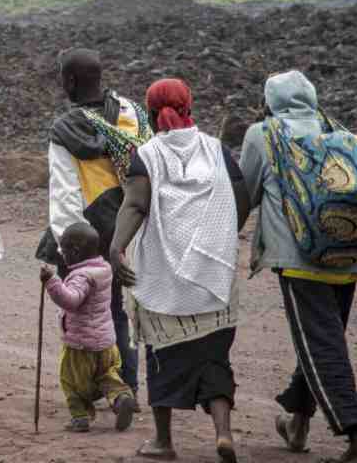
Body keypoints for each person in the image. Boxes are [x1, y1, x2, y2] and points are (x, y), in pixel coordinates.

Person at [239, 71, 357, 463]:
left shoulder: (262, 134)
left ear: (270, 101)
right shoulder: (339, 131)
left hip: (301, 261)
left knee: (322, 346)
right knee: (321, 341)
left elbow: (245, 194)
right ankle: (297, 426)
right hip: (350, 255)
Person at [110, 78, 249, 462]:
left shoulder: (147, 155)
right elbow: (243, 197)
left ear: (152, 114)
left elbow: (136, 205)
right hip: (214, 274)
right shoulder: (217, 149)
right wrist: (218, 236)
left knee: (163, 356)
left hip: (164, 278)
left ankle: (163, 441)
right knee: (214, 356)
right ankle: (223, 434)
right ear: (189, 107)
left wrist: (116, 245)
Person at [44, 48, 151, 392]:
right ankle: (127, 383)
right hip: (136, 223)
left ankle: (98, 384)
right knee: (122, 310)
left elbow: (64, 195)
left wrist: (66, 248)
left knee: (89, 312)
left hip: (91, 233)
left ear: (70, 81)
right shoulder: (133, 113)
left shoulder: (65, 130)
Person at [42, 221, 138, 433]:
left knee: (71, 381)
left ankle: (80, 417)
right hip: (106, 344)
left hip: (80, 345)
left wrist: (52, 282)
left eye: (63, 250)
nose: (61, 254)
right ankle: (121, 399)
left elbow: (71, 301)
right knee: (107, 376)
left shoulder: (81, 276)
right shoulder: (104, 269)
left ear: (74, 252)